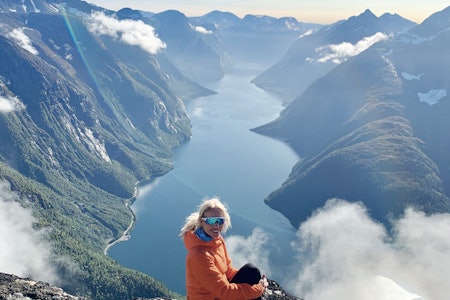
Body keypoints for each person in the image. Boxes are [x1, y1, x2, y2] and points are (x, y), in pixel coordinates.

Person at [180, 197, 267, 300]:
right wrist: (259, 289)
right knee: (252, 289)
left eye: (220, 221)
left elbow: (228, 271)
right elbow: (224, 291)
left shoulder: (217, 240)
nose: (217, 226)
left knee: (251, 271)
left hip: (218, 294)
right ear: (202, 221)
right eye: (211, 221)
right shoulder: (198, 255)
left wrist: (253, 285)